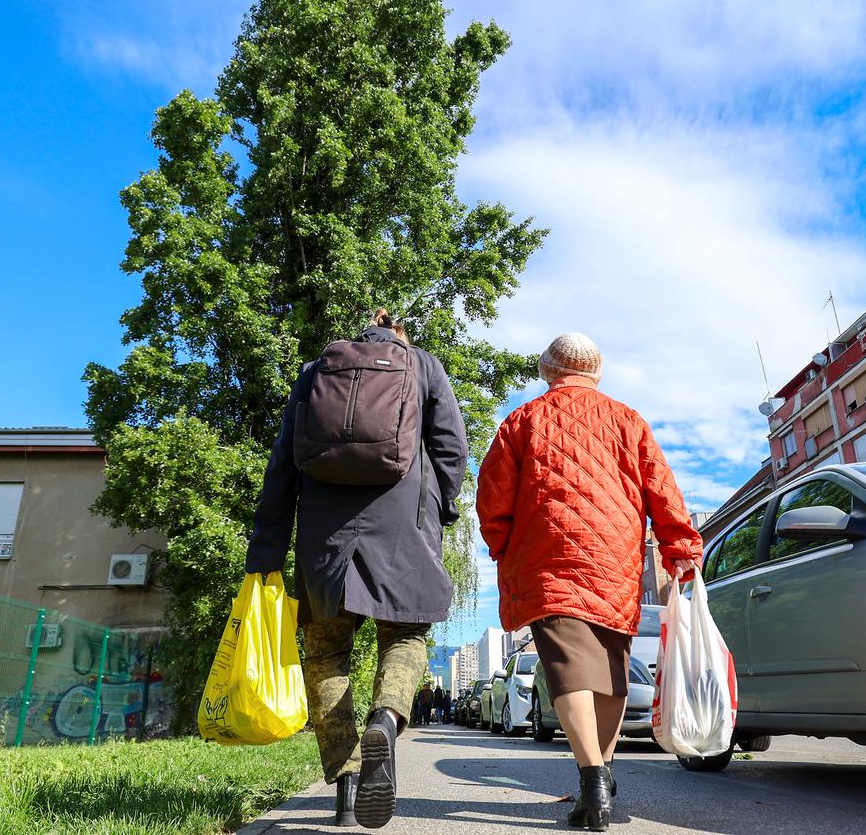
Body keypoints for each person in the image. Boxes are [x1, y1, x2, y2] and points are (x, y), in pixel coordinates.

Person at [247, 309, 469, 829]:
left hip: (325, 534)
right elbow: (451, 449)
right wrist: (439, 507)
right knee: (407, 635)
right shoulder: (423, 366)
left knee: (326, 651)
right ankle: (386, 722)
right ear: (400, 336)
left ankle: (345, 794)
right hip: (404, 524)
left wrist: (266, 553)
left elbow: (281, 466)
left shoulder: (313, 372)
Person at [476, 332, 703, 832]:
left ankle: (592, 777)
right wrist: (680, 549)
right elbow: (661, 489)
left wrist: (503, 547)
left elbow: (493, 497)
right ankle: (601, 773)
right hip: (615, 559)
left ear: (549, 370)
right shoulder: (628, 420)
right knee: (610, 668)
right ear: (595, 372)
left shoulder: (522, 420)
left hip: (545, 558)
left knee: (566, 666)